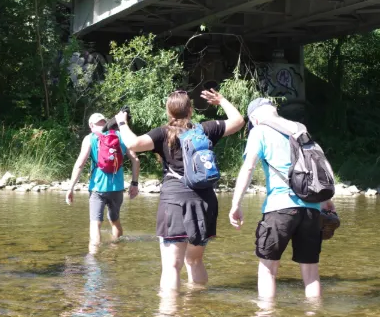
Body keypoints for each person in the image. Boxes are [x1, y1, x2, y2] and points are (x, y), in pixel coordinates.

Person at [116, 89, 245, 292]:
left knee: (172, 266)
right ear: (190, 110)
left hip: (175, 202)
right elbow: (238, 121)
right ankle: (198, 308)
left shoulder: (162, 133)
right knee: (194, 261)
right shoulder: (206, 129)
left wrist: (122, 122)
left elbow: (133, 143)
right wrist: (221, 101)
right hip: (205, 201)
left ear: (168, 111)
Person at [227, 97, 335, 299]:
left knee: (268, 271)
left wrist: (236, 203)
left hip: (279, 208)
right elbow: (315, 167)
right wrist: (326, 202)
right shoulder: (299, 130)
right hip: (312, 208)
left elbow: (249, 167)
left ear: (254, 118)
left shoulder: (259, 131)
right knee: (311, 274)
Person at [65, 113, 141, 248]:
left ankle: (93, 258)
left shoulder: (90, 138)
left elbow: (80, 164)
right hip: (117, 188)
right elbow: (135, 160)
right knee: (115, 221)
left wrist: (71, 187)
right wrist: (134, 183)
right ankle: (115, 252)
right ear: (106, 123)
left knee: (95, 224)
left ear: (91, 125)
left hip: (97, 188)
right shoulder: (121, 135)